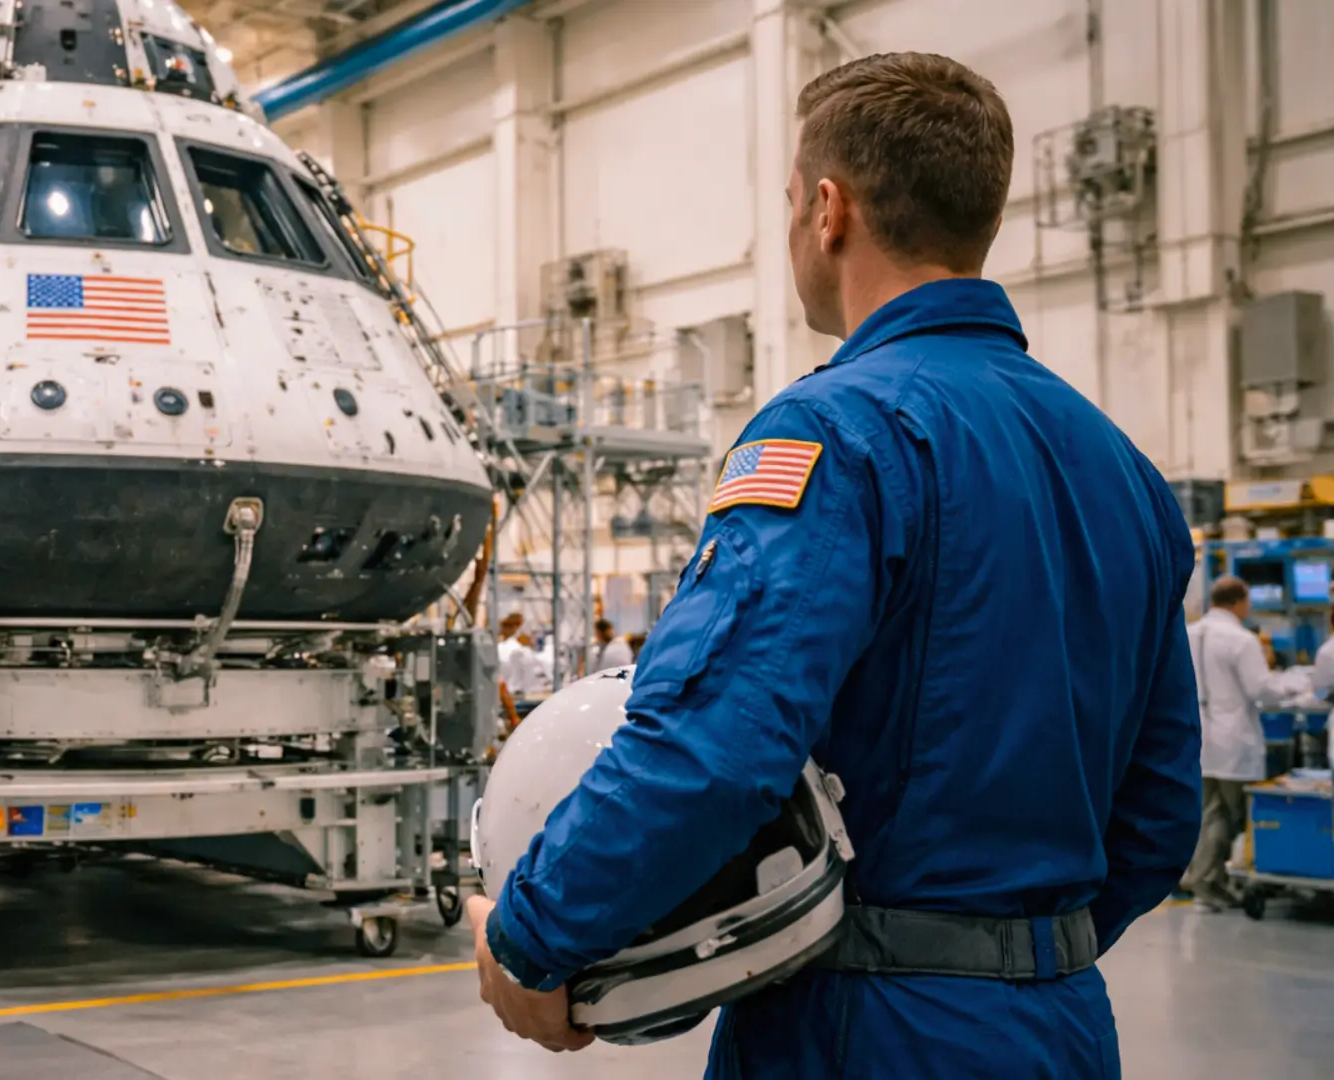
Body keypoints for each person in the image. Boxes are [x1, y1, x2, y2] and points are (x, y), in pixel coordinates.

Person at [464, 51, 1202, 1078]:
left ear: (827, 209)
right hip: (1063, 1025)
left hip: (863, 1031)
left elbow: (714, 745)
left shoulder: (837, 432)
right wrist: (1008, 960)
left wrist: (533, 935)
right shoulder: (1124, 471)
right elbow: (1162, 816)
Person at [1181, 576, 1309, 910]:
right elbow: (1261, 690)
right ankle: (1206, 883)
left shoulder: (1189, 634)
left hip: (1199, 736)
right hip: (1234, 738)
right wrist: (1295, 687)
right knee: (1229, 814)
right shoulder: (1241, 639)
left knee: (1207, 811)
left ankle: (1203, 880)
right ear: (1239, 602)